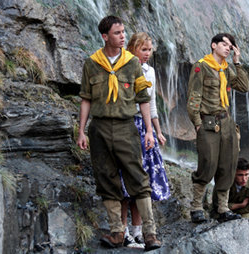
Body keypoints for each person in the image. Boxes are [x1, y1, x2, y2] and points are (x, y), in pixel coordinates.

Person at [76, 16, 161, 251]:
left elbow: (144, 99)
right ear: (105, 36)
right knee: (107, 179)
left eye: (124, 32)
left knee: (138, 178)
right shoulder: (91, 63)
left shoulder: (132, 63)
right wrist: (82, 131)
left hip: (126, 127)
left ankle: (150, 234)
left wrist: (149, 132)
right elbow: (85, 99)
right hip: (100, 128)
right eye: (117, 33)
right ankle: (117, 233)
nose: (123, 36)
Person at [186, 33, 249, 223]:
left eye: (230, 46)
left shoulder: (227, 69)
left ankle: (221, 208)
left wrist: (237, 63)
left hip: (227, 122)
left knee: (228, 165)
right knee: (207, 163)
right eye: (224, 44)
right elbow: (193, 97)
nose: (228, 48)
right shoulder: (201, 67)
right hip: (208, 122)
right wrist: (197, 123)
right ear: (213, 45)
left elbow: (244, 87)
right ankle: (196, 206)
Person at [120, 32, 171, 249]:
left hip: (144, 129)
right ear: (132, 48)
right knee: (124, 183)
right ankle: (121, 231)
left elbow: (152, 106)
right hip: (126, 125)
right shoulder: (123, 67)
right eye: (144, 50)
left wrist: (157, 131)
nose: (147, 54)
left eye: (150, 50)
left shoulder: (149, 72)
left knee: (144, 182)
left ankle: (138, 232)